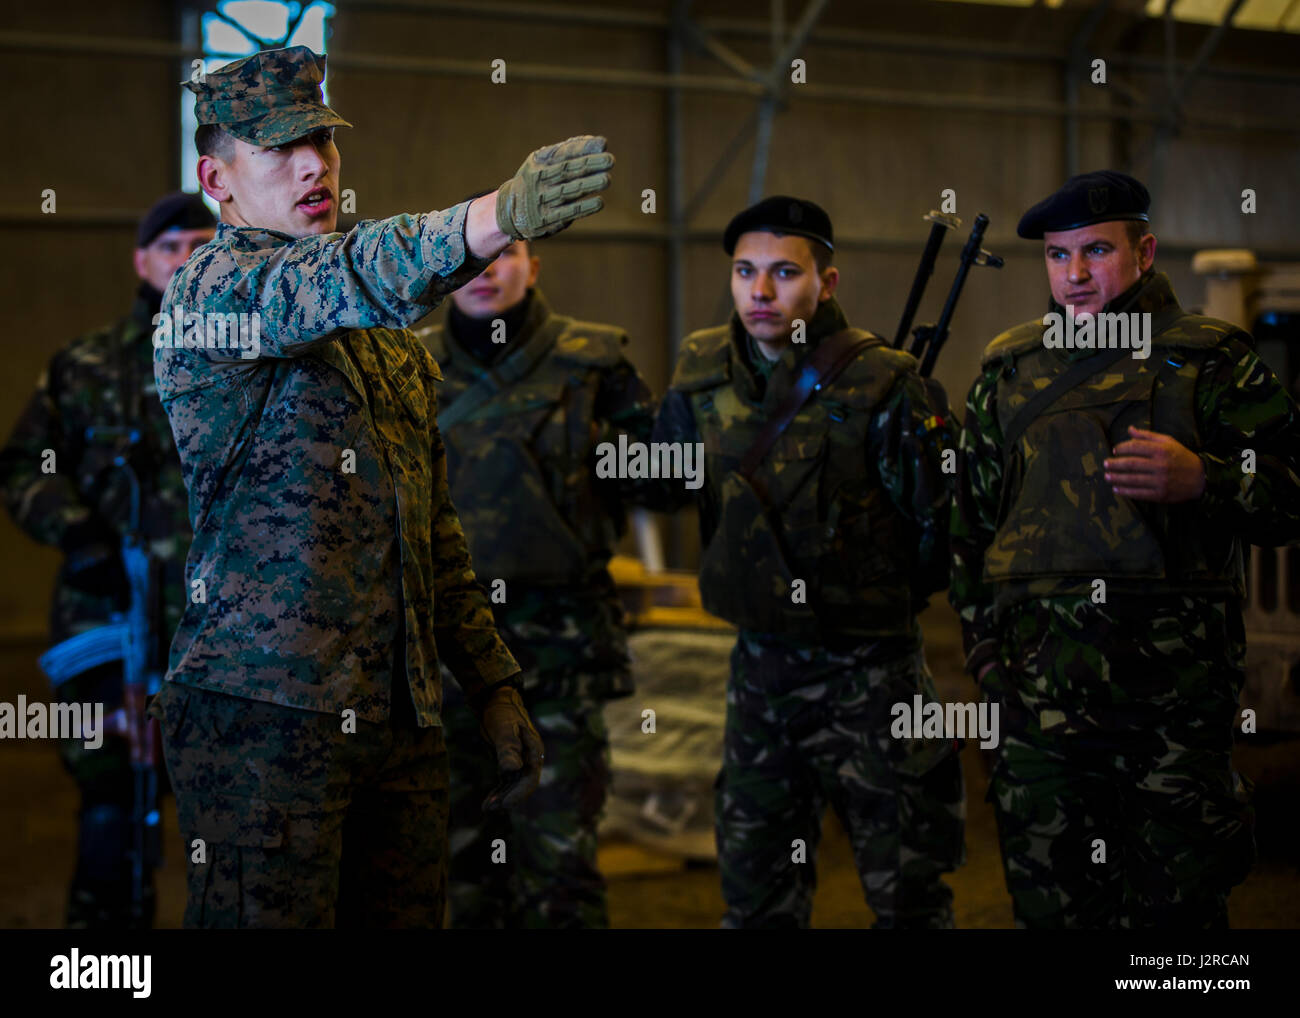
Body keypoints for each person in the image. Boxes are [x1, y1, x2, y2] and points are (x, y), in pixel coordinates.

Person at [149, 44, 613, 928]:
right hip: (265, 718)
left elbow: (433, 529)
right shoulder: (208, 294)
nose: (314, 163)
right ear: (218, 178)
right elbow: (342, 275)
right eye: (278, 150)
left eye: (321, 141)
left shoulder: (389, 340)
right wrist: (495, 214)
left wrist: (491, 681)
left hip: (398, 716)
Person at [950, 169, 1300, 928]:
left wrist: (1203, 479)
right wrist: (984, 658)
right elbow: (970, 532)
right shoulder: (1008, 375)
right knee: (1054, 910)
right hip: (1039, 717)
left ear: (1144, 254)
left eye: (1096, 252)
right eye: (1058, 256)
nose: (1074, 276)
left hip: (1170, 716)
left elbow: (1292, 490)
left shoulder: (1209, 361)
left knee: (1177, 926)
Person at [643, 195, 966, 928]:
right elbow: (662, 482)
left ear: (827, 281)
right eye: (745, 271)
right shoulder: (701, 372)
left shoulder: (886, 382)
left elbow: (941, 531)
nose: (760, 291)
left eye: (784, 272)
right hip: (760, 673)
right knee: (756, 895)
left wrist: (869, 591)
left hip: (872, 677)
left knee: (907, 891)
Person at [412, 217, 656, 928]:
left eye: (505, 253)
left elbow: (666, 481)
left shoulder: (596, 363)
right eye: (471, 257)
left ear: (533, 267)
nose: (486, 268)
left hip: (558, 652)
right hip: (445, 657)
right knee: (459, 869)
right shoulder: (409, 366)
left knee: (559, 867)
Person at [0, 192, 215, 927]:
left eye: (202, 244)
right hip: (109, 631)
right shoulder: (85, 365)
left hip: (220, 641)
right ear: (141, 261)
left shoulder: (251, 354)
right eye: (171, 247)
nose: (186, 259)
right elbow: (23, 468)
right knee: (109, 827)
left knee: (236, 836)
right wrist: (77, 533)